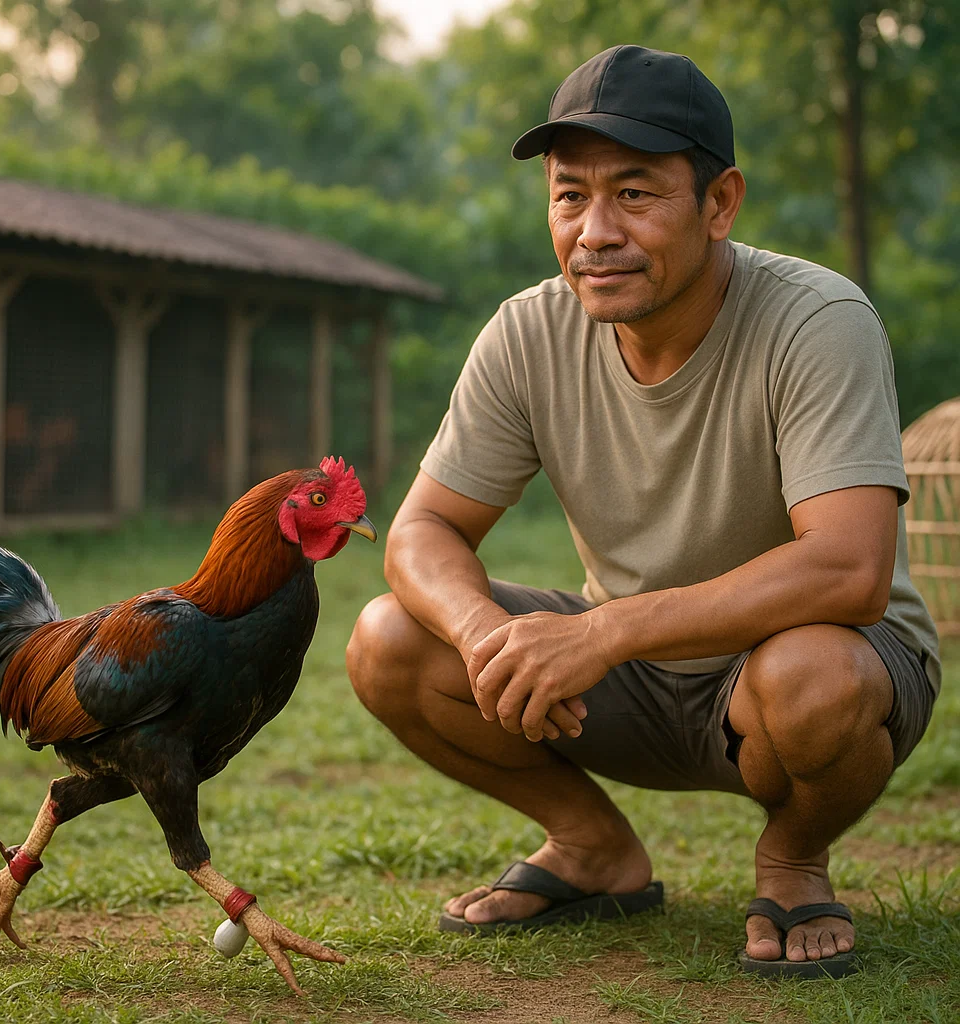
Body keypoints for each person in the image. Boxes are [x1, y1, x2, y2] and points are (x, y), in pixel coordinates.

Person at [346, 44, 939, 978]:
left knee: (815, 676)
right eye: (569, 194)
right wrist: (482, 635)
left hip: (806, 666)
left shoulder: (818, 319)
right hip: (626, 682)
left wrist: (609, 631)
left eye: (634, 193)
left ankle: (792, 861)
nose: (594, 231)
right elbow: (423, 530)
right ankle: (593, 849)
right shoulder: (527, 331)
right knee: (388, 640)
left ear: (719, 203)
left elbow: (848, 570)